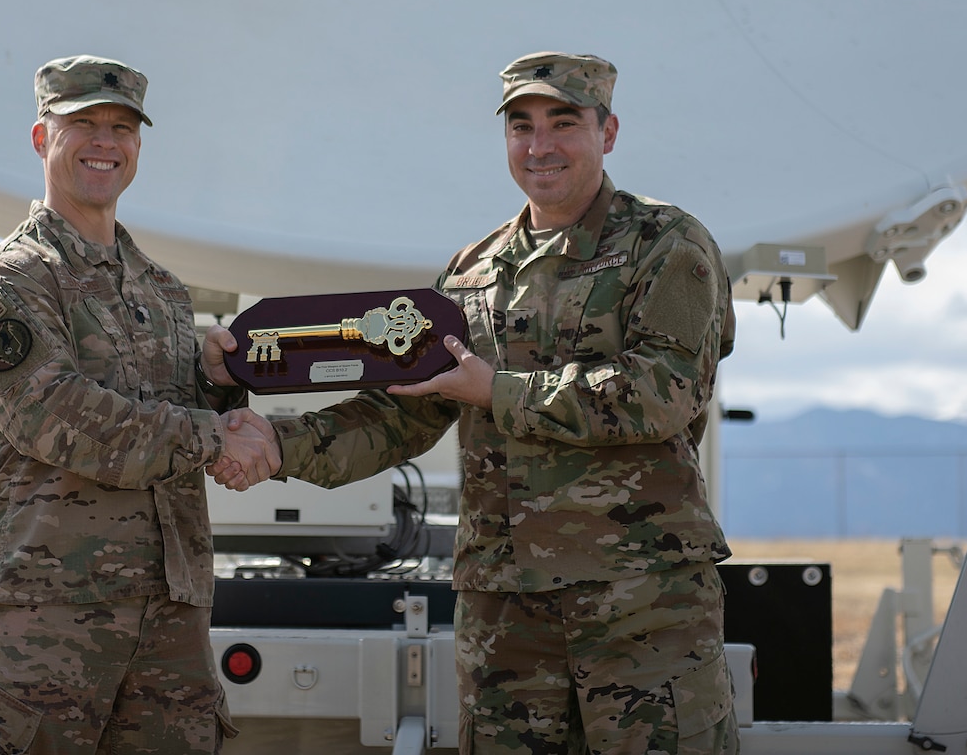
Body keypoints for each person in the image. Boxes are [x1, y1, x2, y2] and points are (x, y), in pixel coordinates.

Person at [214, 51, 738, 754]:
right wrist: (281, 445)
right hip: (507, 609)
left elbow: (664, 391)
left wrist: (500, 392)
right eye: (521, 126)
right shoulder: (470, 274)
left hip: (642, 603)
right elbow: (404, 411)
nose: (539, 145)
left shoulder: (667, 246)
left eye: (564, 123)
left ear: (607, 132)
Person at [0, 55, 276, 755]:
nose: (105, 142)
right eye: (84, 124)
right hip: (47, 619)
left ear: (138, 146)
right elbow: (59, 417)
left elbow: (175, 424)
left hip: (169, 619)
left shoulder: (161, 289)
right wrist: (213, 434)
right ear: (42, 139)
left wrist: (215, 382)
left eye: (122, 127)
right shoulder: (14, 280)